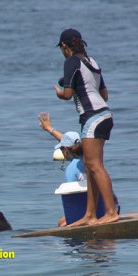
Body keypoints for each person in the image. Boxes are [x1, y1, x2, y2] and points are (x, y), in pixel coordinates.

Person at [54, 28, 118, 226]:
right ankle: (90, 214)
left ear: (65, 46)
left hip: (93, 117)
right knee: (91, 167)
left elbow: (67, 94)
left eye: (61, 48)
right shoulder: (92, 61)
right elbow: (104, 94)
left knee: (95, 166)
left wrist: (59, 91)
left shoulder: (71, 61)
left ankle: (110, 212)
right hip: (104, 114)